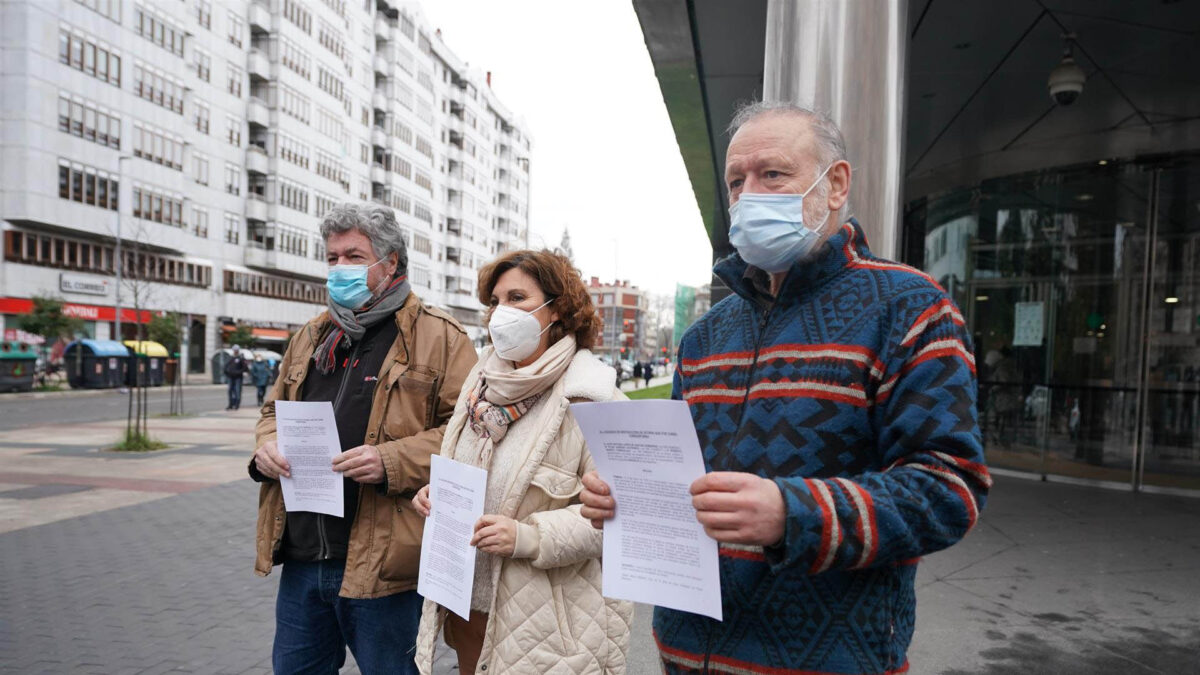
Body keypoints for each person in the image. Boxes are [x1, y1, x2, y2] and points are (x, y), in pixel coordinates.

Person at [580, 102, 991, 675]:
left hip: (831, 660)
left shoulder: (910, 309)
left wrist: (792, 513)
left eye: (772, 174)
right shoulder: (704, 335)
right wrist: (625, 496)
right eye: (736, 182)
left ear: (836, 184)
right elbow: (682, 479)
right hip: (685, 651)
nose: (749, 195)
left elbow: (950, 489)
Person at [248, 203, 477, 675]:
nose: (338, 268)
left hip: (386, 563)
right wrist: (266, 446)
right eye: (331, 257)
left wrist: (390, 460)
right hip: (304, 552)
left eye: (353, 256)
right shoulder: (313, 333)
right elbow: (274, 409)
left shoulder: (441, 336)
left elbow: (471, 433)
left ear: (390, 262)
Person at [410, 249, 633, 675]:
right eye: (495, 301)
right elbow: (466, 470)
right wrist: (438, 493)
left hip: (547, 627)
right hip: (468, 605)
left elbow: (617, 518)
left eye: (517, 298)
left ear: (558, 311)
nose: (500, 312)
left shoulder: (593, 397)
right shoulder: (481, 384)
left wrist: (525, 537)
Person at [223, 345, 248, 410]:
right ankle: (230, 404)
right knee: (230, 391)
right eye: (234, 350)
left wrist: (238, 372)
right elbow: (225, 366)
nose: (235, 351)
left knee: (237, 391)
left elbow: (245, 368)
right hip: (230, 377)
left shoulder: (241, 358)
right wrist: (226, 372)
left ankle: (236, 405)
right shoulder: (230, 357)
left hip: (238, 377)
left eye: (236, 350)